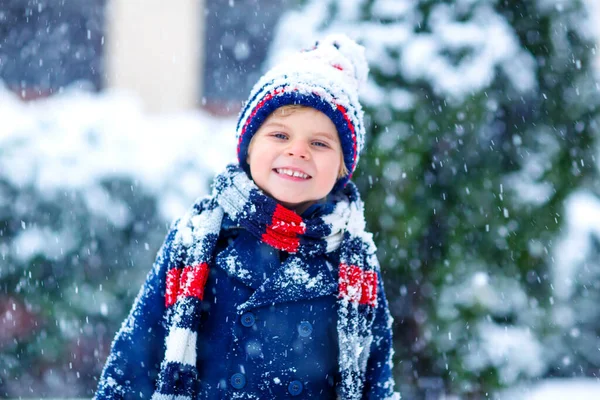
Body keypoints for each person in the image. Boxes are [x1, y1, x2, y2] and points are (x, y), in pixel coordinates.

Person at [95, 34, 398, 400]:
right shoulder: (198, 241)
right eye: (280, 134)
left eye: (319, 143)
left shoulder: (354, 264)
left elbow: (374, 381)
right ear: (249, 148)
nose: (297, 151)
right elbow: (134, 365)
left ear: (342, 168)